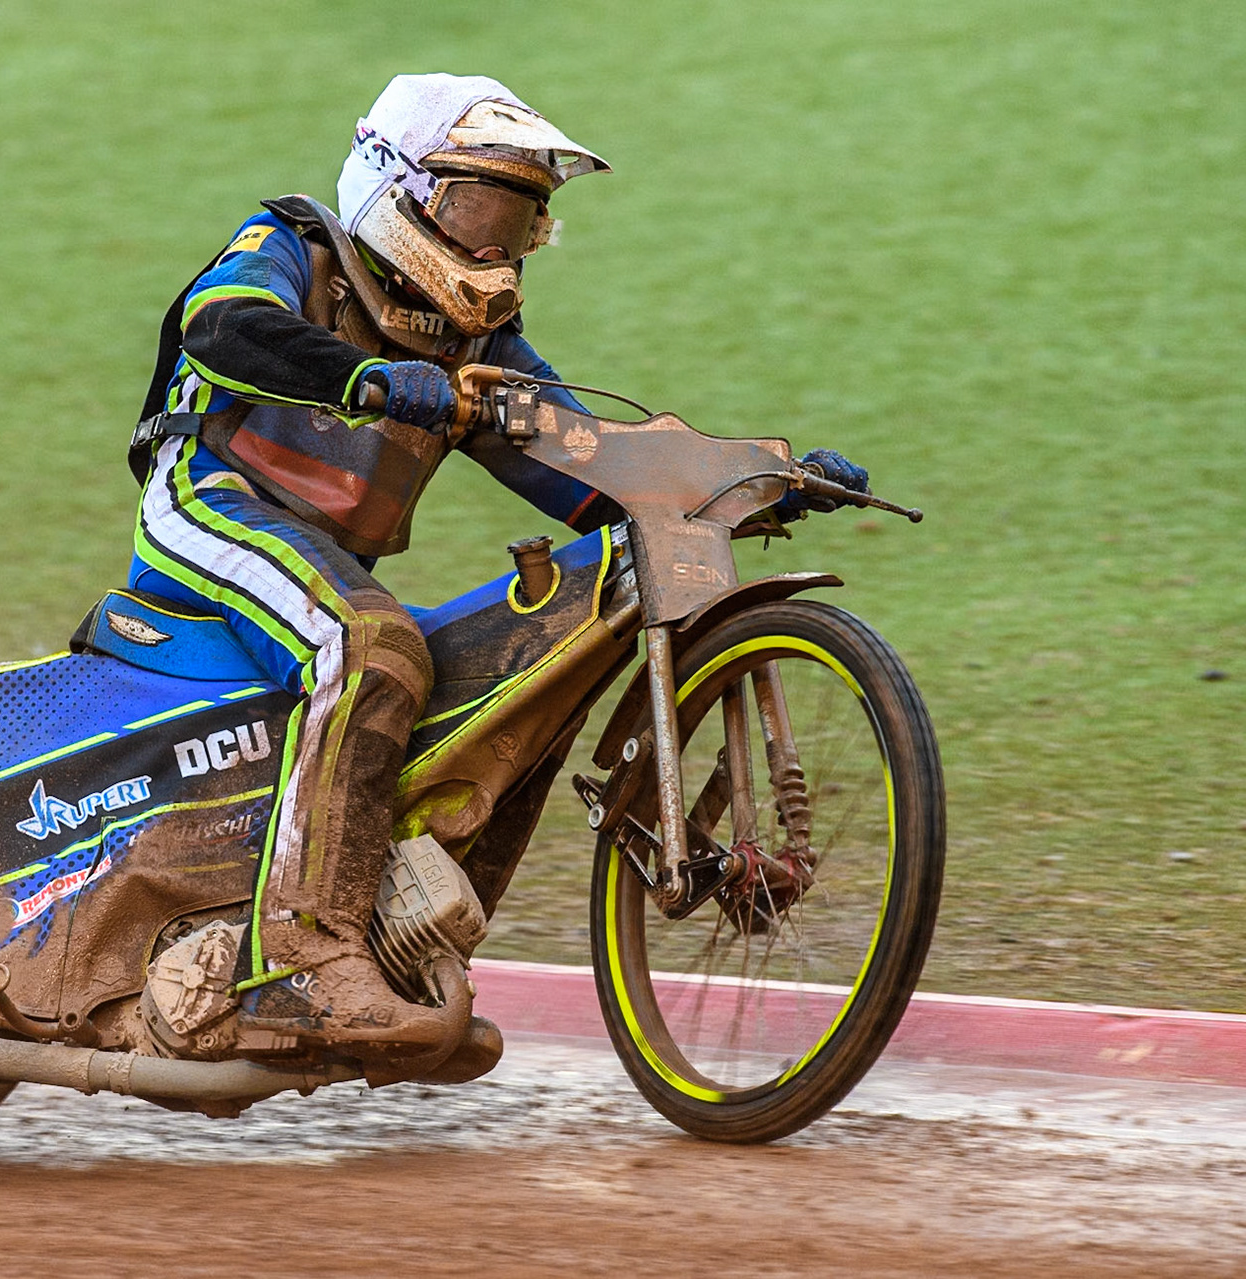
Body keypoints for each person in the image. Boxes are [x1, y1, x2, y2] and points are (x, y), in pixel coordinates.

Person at [124, 74, 864, 1059]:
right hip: (209, 503)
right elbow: (221, 329)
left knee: (530, 681)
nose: (494, 249)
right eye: (479, 209)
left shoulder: (478, 342)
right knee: (372, 646)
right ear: (397, 185)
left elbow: (595, 466)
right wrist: (366, 377)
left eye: (519, 223)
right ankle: (306, 959)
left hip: (322, 558)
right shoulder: (296, 250)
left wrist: (755, 481)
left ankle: (408, 963)